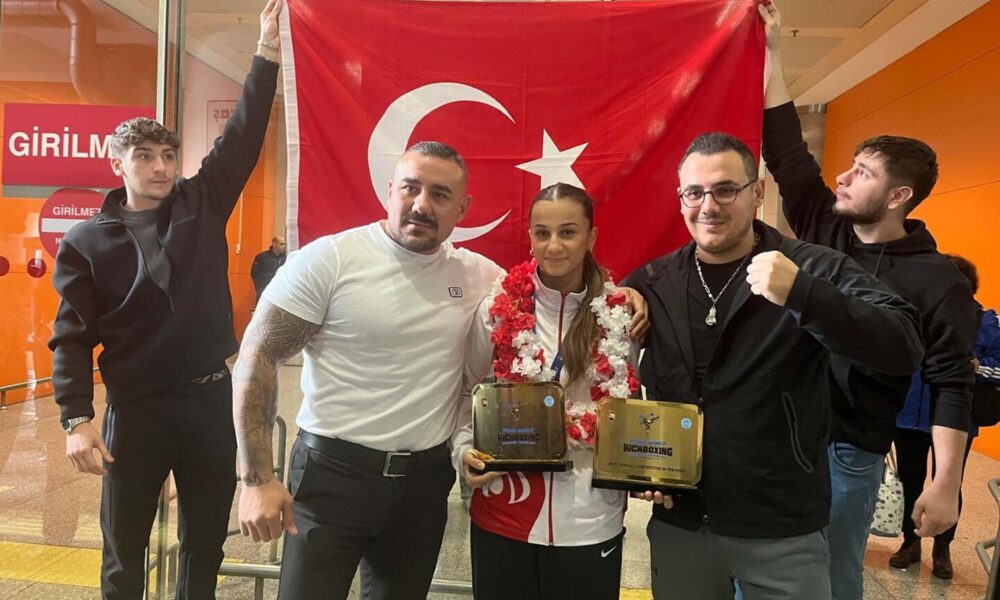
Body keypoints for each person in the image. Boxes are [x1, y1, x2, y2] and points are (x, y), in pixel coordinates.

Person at [231, 143, 648, 599]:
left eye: (440, 194)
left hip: (421, 487)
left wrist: (622, 295)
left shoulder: (479, 277)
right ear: (390, 190)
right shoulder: (329, 258)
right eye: (410, 188)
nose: (422, 204)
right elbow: (258, 355)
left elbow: (551, 288)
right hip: (334, 475)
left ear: (462, 209)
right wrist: (256, 478)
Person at [47, 2, 282, 597]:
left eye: (168, 156)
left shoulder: (202, 204)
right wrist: (76, 417)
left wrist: (266, 53)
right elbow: (71, 335)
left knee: (205, 548)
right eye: (145, 157)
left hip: (209, 403)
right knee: (123, 551)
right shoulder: (85, 242)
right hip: (138, 409)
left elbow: (242, 136)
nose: (160, 167)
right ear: (117, 164)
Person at [624, 131, 922, 600]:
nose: (708, 206)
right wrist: (640, 468)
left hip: (782, 524)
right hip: (682, 523)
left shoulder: (811, 268)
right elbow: (614, 377)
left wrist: (803, 294)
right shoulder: (654, 280)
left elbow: (903, 343)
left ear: (757, 192)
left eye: (726, 190)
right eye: (694, 193)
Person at [758, 4, 977, 598]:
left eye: (862, 172)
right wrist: (772, 52)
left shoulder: (939, 281)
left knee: (831, 578)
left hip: (849, 451)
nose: (844, 178)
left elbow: (952, 384)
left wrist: (945, 484)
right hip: (779, 431)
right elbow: (785, 151)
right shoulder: (824, 227)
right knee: (760, 569)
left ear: (898, 196)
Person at [453, 183, 638, 599]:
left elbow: (631, 407)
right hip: (505, 511)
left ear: (591, 237)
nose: (553, 246)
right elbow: (467, 390)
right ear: (531, 238)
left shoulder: (620, 315)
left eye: (568, 232)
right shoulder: (498, 309)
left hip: (591, 520)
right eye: (542, 233)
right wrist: (462, 450)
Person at [893, 254, 999, 578]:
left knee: (949, 482)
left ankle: (943, 548)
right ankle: (910, 542)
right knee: (909, 478)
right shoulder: (915, 316)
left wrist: (978, 367)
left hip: (957, 418)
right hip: (909, 415)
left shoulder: (987, 322)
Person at [251, 235, 287, 303]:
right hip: (264, 289)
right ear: (274, 244)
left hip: (279, 290)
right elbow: (254, 274)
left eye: (285, 244)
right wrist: (259, 287)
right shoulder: (262, 257)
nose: (284, 246)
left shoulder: (285, 258)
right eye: (281, 244)